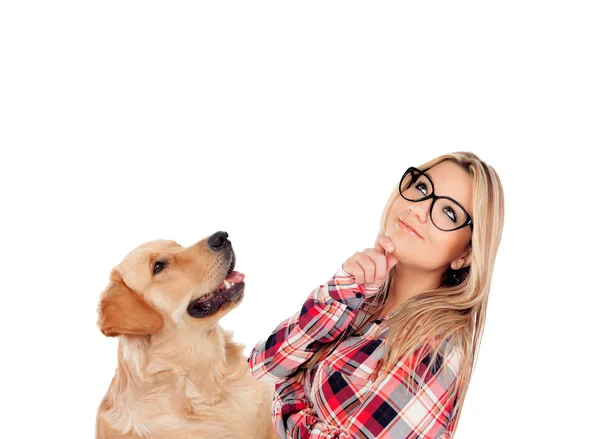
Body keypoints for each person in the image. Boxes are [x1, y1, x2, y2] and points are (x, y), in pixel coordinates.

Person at [248, 151, 504, 438]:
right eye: (421, 188)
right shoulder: (359, 297)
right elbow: (261, 368)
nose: (419, 209)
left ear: (466, 255)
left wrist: (286, 395)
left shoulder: (437, 351)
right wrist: (342, 293)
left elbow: (272, 384)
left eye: (448, 212)